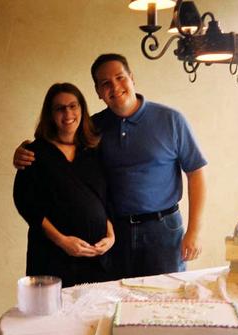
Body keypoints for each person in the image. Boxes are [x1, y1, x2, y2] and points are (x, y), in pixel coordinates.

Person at [14, 54, 206, 279]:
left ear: (132, 78)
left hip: (162, 229)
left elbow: (196, 173)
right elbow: (58, 146)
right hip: (117, 232)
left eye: (120, 77)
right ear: (98, 92)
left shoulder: (171, 120)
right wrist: (24, 151)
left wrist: (194, 230)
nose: (115, 87)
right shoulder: (93, 128)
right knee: (117, 300)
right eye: (105, 83)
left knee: (164, 297)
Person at [13, 82, 115, 287]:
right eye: (60, 108)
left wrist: (111, 236)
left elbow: (105, 200)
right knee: (53, 316)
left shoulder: (93, 151)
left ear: (82, 110)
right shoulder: (34, 152)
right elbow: (26, 203)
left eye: (73, 106)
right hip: (52, 256)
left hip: (96, 257)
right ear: (50, 114)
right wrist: (62, 241)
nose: (67, 112)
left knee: (95, 315)